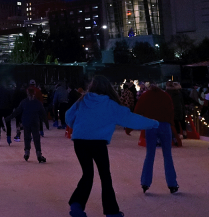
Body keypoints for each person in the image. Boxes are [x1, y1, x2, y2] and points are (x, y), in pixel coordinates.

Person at [65, 75, 159, 217]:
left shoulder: (82, 101)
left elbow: (68, 116)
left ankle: (76, 205)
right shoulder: (110, 105)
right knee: (105, 176)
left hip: (80, 141)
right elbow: (131, 119)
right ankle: (111, 211)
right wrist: (153, 123)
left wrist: (77, 126)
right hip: (98, 142)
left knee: (87, 174)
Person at [126, 84, 179, 194]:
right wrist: (171, 124)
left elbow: (137, 112)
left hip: (151, 126)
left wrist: (129, 128)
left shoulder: (145, 96)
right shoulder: (166, 96)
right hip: (165, 126)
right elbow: (171, 111)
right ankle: (172, 184)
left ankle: (145, 183)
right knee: (167, 155)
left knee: (150, 155)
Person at [5, 86, 48, 163]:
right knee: (36, 138)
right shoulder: (38, 103)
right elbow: (43, 113)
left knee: (27, 138)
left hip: (26, 122)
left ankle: (27, 153)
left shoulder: (24, 102)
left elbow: (17, 111)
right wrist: (46, 123)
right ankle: (38, 154)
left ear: (27, 93)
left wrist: (9, 117)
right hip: (35, 122)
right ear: (34, 93)